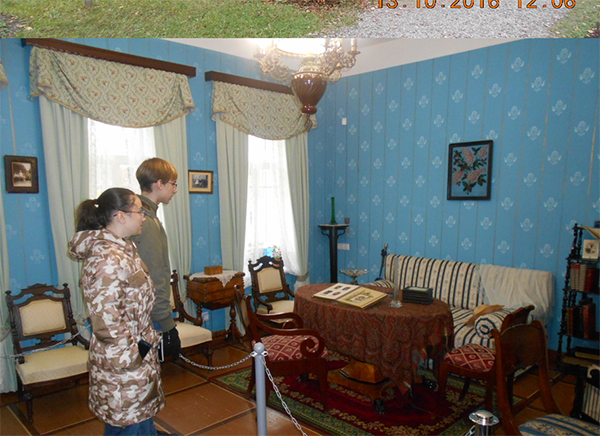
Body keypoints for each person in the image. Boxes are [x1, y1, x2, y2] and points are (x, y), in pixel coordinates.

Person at [68, 187, 165, 435]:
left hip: (136, 354)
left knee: (140, 420)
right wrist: (135, 357)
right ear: (120, 216)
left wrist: (144, 347)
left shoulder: (124, 249)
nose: (144, 216)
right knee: (128, 423)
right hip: (123, 363)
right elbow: (107, 323)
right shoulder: (107, 258)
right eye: (139, 211)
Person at [132, 158, 181, 360]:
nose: (175, 190)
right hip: (150, 315)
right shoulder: (146, 221)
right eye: (173, 184)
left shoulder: (142, 215)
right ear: (159, 184)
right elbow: (154, 274)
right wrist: (165, 320)